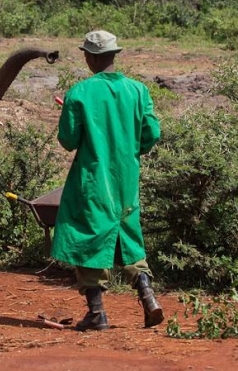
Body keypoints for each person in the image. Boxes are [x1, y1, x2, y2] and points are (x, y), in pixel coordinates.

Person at [51, 30, 163, 332]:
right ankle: (147, 295)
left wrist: (69, 114)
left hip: (92, 179)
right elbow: (151, 134)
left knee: (86, 234)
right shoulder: (138, 91)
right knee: (127, 232)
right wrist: (128, 149)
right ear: (114, 55)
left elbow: (68, 140)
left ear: (90, 57)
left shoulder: (79, 93)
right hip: (126, 177)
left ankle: (97, 313)